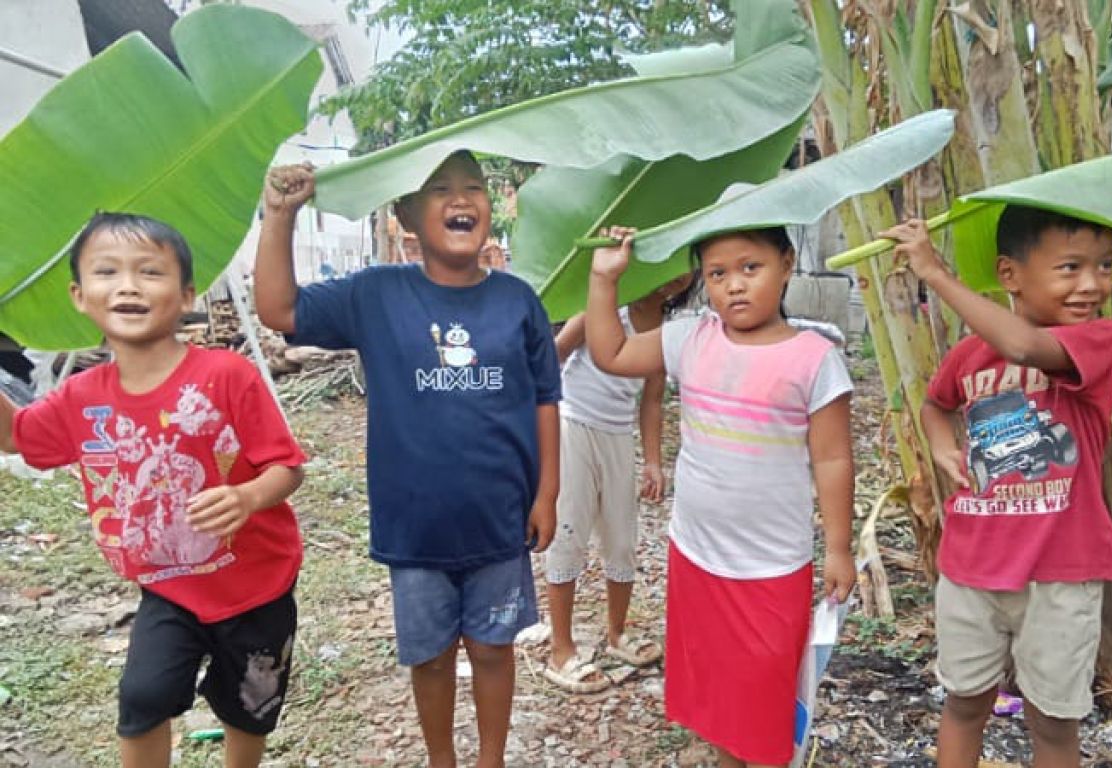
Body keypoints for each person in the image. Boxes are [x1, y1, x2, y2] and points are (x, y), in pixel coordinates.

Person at [254, 152, 560, 768]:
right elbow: (278, 311)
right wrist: (281, 217)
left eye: (473, 188)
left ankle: (491, 759)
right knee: (431, 655)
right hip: (414, 526)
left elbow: (546, 400)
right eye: (440, 189)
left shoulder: (518, 301)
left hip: (500, 520)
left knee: (494, 649)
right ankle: (442, 758)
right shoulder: (376, 293)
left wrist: (546, 493)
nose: (461, 200)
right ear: (406, 214)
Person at [0, 212, 306, 768]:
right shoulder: (82, 398)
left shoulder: (225, 376)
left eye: (149, 272)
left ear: (187, 293)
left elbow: (287, 468)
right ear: (78, 294)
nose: (128, 285)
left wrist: (246, 498)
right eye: (107, 271)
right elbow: (16, 437)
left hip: (257, 586)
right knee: (142, 697)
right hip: (170, 589)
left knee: (249, 706)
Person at [585, 225, 856, 767]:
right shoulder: (692, 338)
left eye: (750, 267)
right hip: (698, 554)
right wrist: (602, 279)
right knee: (714, 677)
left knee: (766, 683)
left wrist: (839, 547)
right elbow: (611, 353)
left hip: (772, 565)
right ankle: (725, 752)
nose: (734, 285)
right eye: (717, 273)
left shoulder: (814, 358)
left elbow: (832, 459)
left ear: (785, 264)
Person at [882, 207, 1112, 768]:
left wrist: (937, 274)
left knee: (1052, 722)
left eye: (1104, 267)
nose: (1092, 284)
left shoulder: (1098, 339)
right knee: (965, 703)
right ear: (1010, 274)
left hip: (1062, 573)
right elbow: (934, 402)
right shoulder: (969, 356)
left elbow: (1022, 346)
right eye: (1070, 267)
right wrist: (942, 442)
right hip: (972, 565)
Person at [542, 271, 695, 693]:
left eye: (688, 270)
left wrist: (652, 462)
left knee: (622, 537)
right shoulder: (605, 308)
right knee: (567, 530)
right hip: (573, 425)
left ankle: (617, 633)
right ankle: (561, 648)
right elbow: (552, 356)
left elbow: (651, 401)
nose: (677, 277)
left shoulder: (665, 333)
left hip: (617, 436)